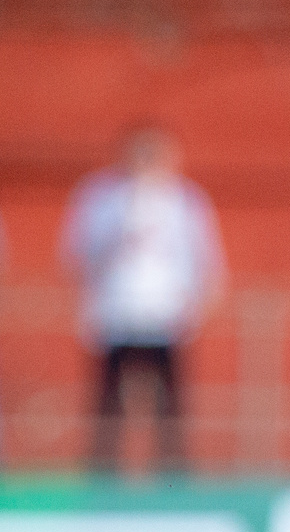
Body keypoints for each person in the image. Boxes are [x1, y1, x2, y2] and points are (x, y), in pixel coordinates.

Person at [61, 125, 225, 473]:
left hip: (166, 319)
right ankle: (103, 485)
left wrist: (195, 309)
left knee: (169, 409)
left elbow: (207, 262)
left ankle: (173, 486)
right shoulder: (101, 198)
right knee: (109, 408)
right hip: (115, 317)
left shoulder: (186, 201)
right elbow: (75, 255)